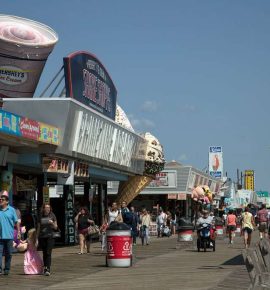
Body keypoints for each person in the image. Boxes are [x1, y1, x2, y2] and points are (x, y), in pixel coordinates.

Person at [0, 192, 20, 275]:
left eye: (2, 199)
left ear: (7, 202)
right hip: (0, 236)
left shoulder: (12, 210)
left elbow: (16, 222)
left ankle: (7, 269)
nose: (1, 200)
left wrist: (18, 232)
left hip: (9, 236)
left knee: (9, 254)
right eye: (0, 199)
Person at [37, 203, 58, 276]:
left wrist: (52, 223)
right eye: (46, 207)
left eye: (48, 207)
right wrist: (36, 237)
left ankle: (48, 269)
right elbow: (39, 227)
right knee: (44, 253)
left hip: (50, 236)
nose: (47, 209)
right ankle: (45, 267)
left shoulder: (52, 215)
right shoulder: (40, 215)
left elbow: (55, 227)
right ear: (43, 208)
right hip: (42, 236)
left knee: (48, 252)